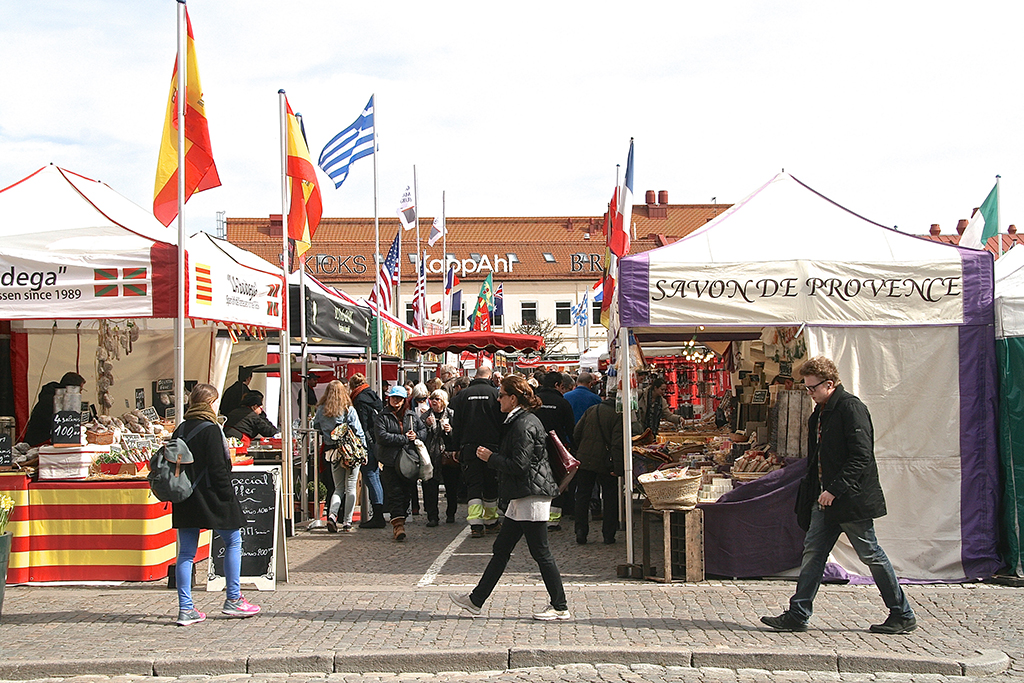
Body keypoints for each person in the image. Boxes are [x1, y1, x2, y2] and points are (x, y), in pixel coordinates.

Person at [760, 356, 917, 635]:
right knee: (813, 553)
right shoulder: (819, 413)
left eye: (812, 388)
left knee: (870, 553)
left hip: (850, 499)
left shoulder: (850, 408)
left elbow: (861, 456)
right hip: (824, 500)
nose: (809, 393)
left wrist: (834, 489)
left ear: (829, 384)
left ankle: (902, 613)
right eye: (806, 388)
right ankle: (798, 613)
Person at [449, 375, 569, 621]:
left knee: (541, 552)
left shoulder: (523, 424)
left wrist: (489, 458)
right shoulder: (519, 420)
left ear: (513, 398)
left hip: (530, 494)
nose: (498, 399)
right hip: (522, 494)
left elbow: (519, 464)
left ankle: (560, 606)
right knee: (501, 548)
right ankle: (476, 600)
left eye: (501, 395)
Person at [171, 383, 260, 626]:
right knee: (233, 540)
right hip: (212, 495)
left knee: (186, 553)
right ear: (210, 403)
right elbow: (219, 467)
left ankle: (185, 608)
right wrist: (228, 496)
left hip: (186, 495)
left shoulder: (180, 429)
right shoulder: (211, 430)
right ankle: (233, 599)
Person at [450, 365, 503, 538]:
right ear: (489, 377)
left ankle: (475, 525)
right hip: (492, 447)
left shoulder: (462, 395)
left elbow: (456, 424)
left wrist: (456, 448)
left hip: (469, 446)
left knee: (473, 485)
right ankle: (491, 521)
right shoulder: (496, 394)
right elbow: (503, 421)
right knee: (490, 483)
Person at [313, 380, 367, 533]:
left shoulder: (321, 409)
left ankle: (332, 515)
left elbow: (315, 426)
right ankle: (347, 522)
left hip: (332, 452)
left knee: (338, 488)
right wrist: (364, 450)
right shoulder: (348, 409)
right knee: (351, 488)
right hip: (350, 452)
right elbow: (358, 431)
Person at [376, 385, 426, 542]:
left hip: (408, 461)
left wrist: (416, 435)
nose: (395, 401)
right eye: (393, 398)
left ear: (404, 400)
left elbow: (424, 430)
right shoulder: (382, 416)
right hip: (390, 461)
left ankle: (401, 519)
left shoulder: (411, 416)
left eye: (398, 399)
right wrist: (404, 438)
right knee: (394, 493)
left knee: (407, 494)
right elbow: (382, 436)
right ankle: (398, 526)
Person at [573, 394, 623, 545]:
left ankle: (581, 531)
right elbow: (617, 444)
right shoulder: (617, 416)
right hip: (605, 462)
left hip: (585, 458)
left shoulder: (592, 410)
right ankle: (608, 534)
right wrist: (618, 468)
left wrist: (581, 450)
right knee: (609, 497)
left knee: (582, 495)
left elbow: (577, 432)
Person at [534, 371, 576, 532]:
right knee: (557, 481)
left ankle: (537, 516)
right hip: (556, 447)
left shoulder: (535, 399)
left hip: (535, 446)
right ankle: (553, 520)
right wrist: (572, 447)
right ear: (558, 385)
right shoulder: (562, 402)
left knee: (537, 480)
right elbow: (570, 428)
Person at [349, 373, 387, 529]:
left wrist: (362, 446)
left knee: (370, 475)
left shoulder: (359, 400)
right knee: (375, 476)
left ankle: (378, 516)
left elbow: (362, 425)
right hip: (377, 441)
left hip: (368, 442)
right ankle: (379, 513)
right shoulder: (374, 396)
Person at [23, 372, 86, 447]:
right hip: (38, 442)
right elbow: (58, 425)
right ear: (71, 388)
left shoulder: (62, 399)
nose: (80, 393)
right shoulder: (52, 401)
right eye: (80, 390)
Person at [421, 389, 455, 526]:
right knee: (430, 486)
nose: (434, 401)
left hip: (448, 456)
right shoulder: (426, 416)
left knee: (451, 486)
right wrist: (427, 426)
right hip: (431, 455)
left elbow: (458, 434)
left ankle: (451, 513)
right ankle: (432, 516)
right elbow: (421, 435)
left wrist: (450, 431)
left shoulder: (451, 414)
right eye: (433, 399)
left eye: (438, 399)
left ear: (444, 401)